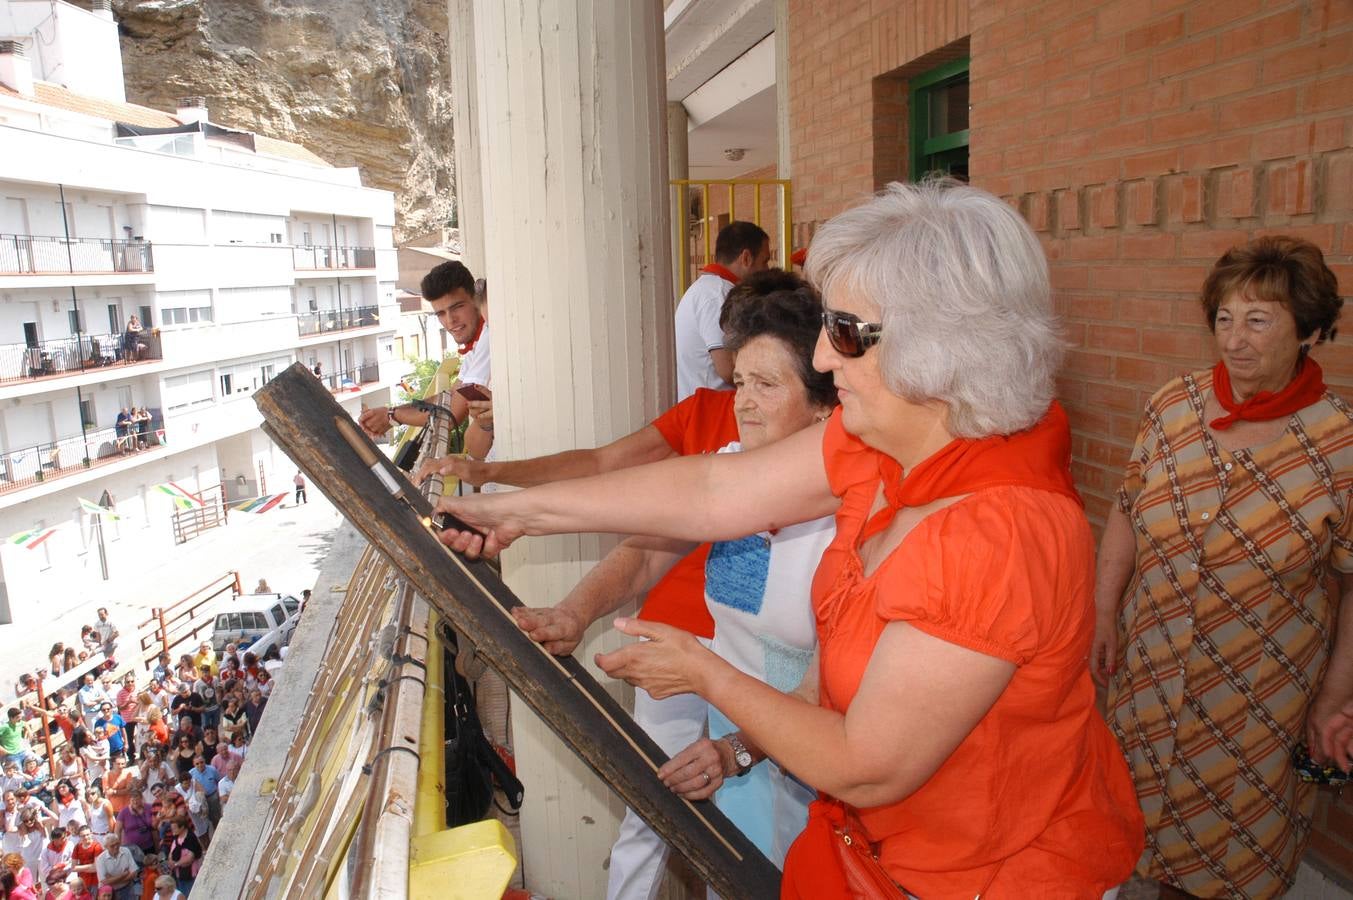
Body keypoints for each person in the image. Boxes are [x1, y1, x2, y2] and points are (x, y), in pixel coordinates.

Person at [437, 180, 1145, 896]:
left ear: (938, 349)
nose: (827, 362)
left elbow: (868, 764)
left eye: (844, 334)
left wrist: (706, 675)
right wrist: (519, 511)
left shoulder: (997, 533)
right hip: (870, 858)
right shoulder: (894, 447)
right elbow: (715, 491)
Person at [519, 276, 838, 878]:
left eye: (767, 385)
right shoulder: (730, 469)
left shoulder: (850, 512)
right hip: (734, 745)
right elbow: (646, 551)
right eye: (740, 381)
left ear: (824, 402)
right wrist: (573, 612)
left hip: (807, 758)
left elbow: (831, 682)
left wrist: (737, 748)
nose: (742, 402)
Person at [1091, 235, 1352, 899]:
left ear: (1311, 332)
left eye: (1257, 321)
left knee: (1228, 861)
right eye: (1224, 319)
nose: (1233, 340)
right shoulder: (1171, 406)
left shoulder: (1341, 440)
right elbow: (1126, 507)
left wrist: (1332, 699)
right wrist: (1101, 612)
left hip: (1257, 700)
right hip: (1150, 675)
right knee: (1131, 833)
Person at [358, 260, 489, 443]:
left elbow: (451, 415)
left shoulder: (488, 338)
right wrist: (391, 412)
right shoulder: (475, 345)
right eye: (441, 314)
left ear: (475, 301)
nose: (450, 320)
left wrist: (392, 416)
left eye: (457, 307)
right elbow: (450, 396)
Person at [674, 220, 771, 399]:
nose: (767, 269)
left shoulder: (707, 289)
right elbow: (728, 369)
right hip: (713, 413)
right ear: (746, 258)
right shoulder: (718, 295)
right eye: (764, 261)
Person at [91, 834, 135, 900]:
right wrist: (123, 875)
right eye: (112, 846)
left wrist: (112, 879)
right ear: (105, 847)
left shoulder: (126, 851)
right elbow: (104, 882)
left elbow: (134, 873)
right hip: (109, 893)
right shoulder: (100, 859)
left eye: (117, 843)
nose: (116, 847)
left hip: (127, 888)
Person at [163, 818, 198, 897]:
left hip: (189, 874)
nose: (172, 830)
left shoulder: (190, 838)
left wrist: (175, 864)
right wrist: (170, 860)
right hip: (179, 874)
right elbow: (172, 850)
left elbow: (190, 858)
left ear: (182, 827)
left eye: (174, 828)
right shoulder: (177, 837)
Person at [65, 828, 98, 895]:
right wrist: (91, 867)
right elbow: (73, 868)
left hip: (95, 881)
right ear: (79, 837)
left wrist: (78, 868)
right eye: (83, 836)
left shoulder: (97, 846)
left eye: (87, 834)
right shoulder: (77, 847)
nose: (86, 837)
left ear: (91, 834)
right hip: (82, 882)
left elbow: (96, 868)